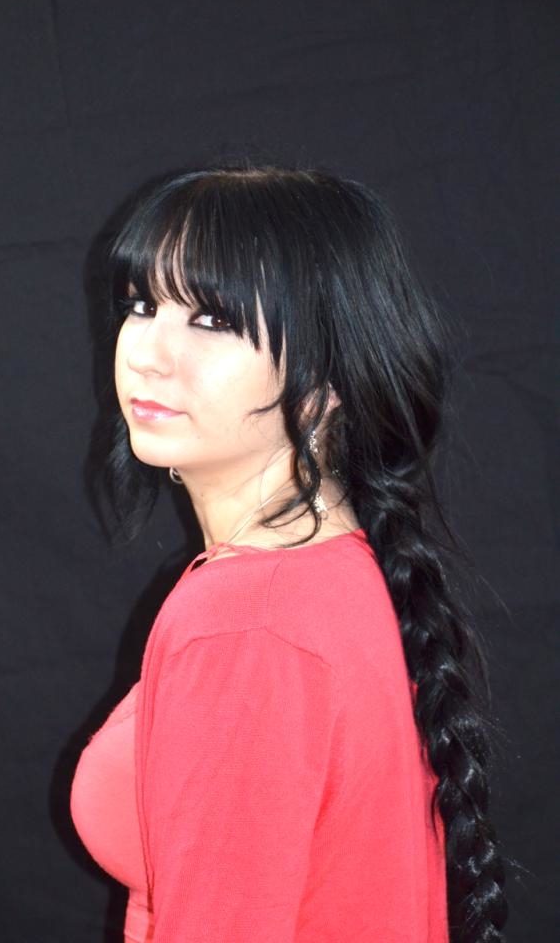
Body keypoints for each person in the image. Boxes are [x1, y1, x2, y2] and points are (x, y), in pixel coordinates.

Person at [70, 163, 509, 942]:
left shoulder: (247, 623)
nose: (147, 353)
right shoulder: (338, 575)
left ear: (327, 378)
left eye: (211, 319)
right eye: (142, 305)